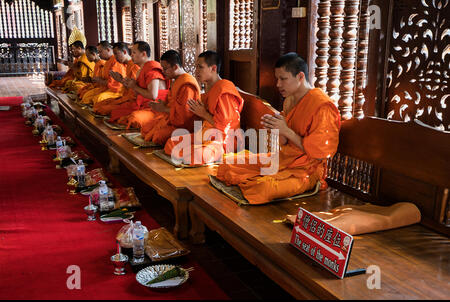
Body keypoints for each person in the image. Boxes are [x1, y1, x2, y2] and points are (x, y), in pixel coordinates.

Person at [215, 53, 341, 204]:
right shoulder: (289, 100)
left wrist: (286, 130)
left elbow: (320, 154)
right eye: (277, 79)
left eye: (283, 79)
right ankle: (255, 179)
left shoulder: (322, 107)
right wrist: (276, 128)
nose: (278, 84)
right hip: (282, 160)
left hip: (306, 171)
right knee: (227, 165)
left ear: (300, 77)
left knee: (263, 188)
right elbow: (284, 142)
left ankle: (258, 180)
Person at [163, 50, 244, 165]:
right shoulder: (210, 88)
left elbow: (226, 128)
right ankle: (189, 155)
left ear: (213, 68)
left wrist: (204, 114)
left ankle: (191, 155)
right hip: (205, 135)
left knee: (197, 155)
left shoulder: (224, 90)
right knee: (171, 143)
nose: (196, 71)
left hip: (224, 141)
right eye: (196, 67)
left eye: (200, 67)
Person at [125, 50, 201, 145]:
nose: (163, 72)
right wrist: (161, 107)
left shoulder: (187, 85)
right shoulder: (177, 80)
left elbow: (185, 115)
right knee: (145, 129)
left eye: (165, 69)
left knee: (158, 136)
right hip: (171, 119)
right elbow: (171, 103)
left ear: (175, 67)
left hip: (187, 126)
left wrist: (163, 108)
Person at [108, 41, 169, 123]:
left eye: (134, 52)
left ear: (143, 54)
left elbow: (153, 95)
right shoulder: (141, 70)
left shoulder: (152, 70)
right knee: (115, 112)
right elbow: (137, 94)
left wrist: (134, 86)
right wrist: (124, 82)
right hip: (142, 104)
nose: (131, 55)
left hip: (155, 107)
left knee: (134, 118)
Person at [93, 42, 140, 115]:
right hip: (125, 96)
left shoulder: (134, 66)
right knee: (99, 105)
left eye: (116, 54)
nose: (115, 57)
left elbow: (134, 88)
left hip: (131, 99)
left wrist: (120, 80)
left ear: (124, 52)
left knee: (101, 108)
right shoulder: (127, 65)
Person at [79, 41, 126, 105]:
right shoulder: (107, 62)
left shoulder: (115, 62)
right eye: (98, 52)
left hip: (116, 91)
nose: (99, 54)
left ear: (108, 50)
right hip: (105, 87)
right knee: (86, 96)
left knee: (98, 99)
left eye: (100, 52)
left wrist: (99, 80)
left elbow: (116, 84)